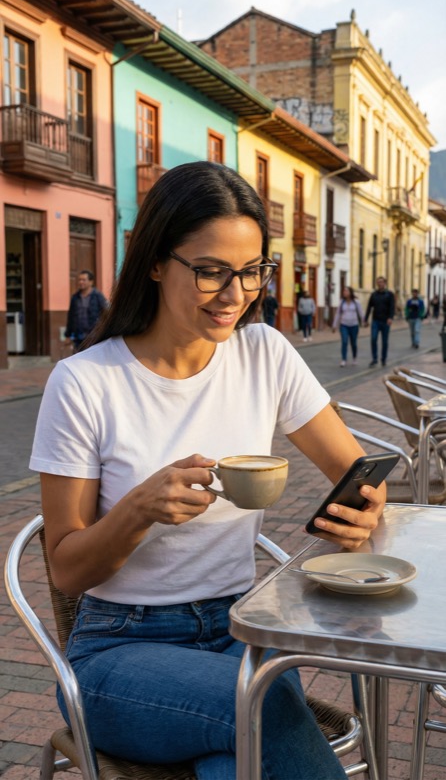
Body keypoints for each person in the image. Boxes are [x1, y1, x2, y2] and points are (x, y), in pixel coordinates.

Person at [30, 162, 386, 780]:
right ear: (155, 262)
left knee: (236, 757)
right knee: (264, 709)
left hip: (240, 629)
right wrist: (138, 510)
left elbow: (354, 469)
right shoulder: (84, 382)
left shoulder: (264, 353)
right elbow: (66, 568)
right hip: (119, 649)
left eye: (251, 271)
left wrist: (364, 510)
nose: (235, 294)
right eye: (211, 271)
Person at [64, 270, 108, 351]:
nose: (81, 282)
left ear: (91, 282)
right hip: (78, 337)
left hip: (93, 336)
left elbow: (106, 313)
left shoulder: (98, 296)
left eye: (84, 280)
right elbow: (71, 317)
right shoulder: (75, 298)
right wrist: (68, 335)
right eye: (79, 280)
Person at [364, 276, 395, 368]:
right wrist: (366, 319)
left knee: (384, 341)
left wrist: (390, 318)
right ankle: (374, 359)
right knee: (373, 339)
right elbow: (369, 307)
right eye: (378, 282)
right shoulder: (374, 295)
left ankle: (383, 359)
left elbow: (392, 307)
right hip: (376, 321)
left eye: (381, 282)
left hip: (385, 321)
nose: (379, 284)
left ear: (385, 283)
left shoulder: (389, 294)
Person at [332, 286, 364, 367]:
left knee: (353, 343)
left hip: (354, 325)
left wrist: (364, 321)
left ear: (350, 292)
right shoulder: (342, 302)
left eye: (346, 291)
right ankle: (344, 359)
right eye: (344, 291)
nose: (344, 292)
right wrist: (334, 325)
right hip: (344, 325)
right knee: (344, 341)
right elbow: (338, 313)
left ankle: (354, 358)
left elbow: (361, 312)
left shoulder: (356, 302)